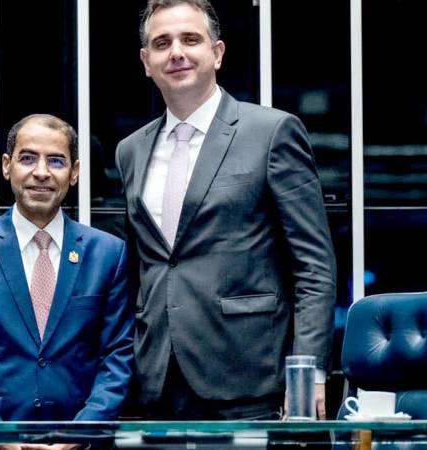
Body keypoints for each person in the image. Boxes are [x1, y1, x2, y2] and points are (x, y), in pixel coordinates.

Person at [115, 0, 336, 420]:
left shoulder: (272, 132)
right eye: (162, 43)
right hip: (155, 379)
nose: (176, 52)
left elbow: (314, 266)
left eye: (190, 39)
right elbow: (144, 266)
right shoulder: (131, 151)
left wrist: (309, 374)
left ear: (217, 53)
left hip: (249, 377)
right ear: (146, 62)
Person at [0, 114, 134, 434]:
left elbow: (118, 355)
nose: (42, 172)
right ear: (7, 166)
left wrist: (81, 432)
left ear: (74, 172)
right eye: (28, 158)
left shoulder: (108, 254)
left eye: (56, 161)